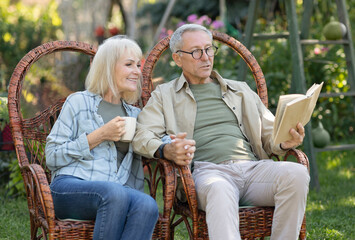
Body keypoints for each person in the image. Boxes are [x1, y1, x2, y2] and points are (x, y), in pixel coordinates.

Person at [132, 24, 310, 240]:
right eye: (196, 52)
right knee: (219, 189)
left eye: (209, 49)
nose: (205, 57)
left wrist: (286, 141)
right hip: (207, 173)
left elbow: (270, 134)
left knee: (297, 174)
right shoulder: (164, 95)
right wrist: (166, 149)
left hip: (253, 169)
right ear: (178, 59)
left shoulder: (240, 90)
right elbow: (141, 136)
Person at [45, 36, 159, 240]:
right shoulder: (78, 102)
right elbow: (52, 157)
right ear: (108, 67)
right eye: (129, 64)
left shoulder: (135, 114)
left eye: (138, 65)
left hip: (118, 192)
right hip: (70, 187)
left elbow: (153, 139)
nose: (137, 71)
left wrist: (173, 144)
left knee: (147, 204)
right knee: (114, 193)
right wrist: (99, 136)